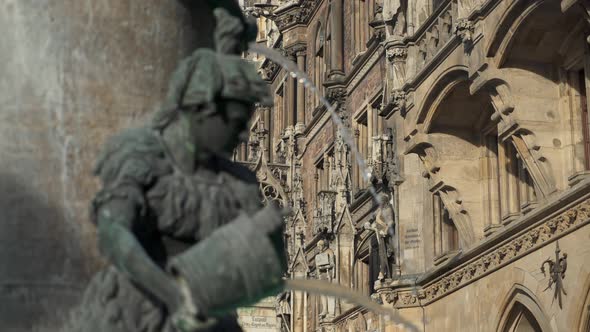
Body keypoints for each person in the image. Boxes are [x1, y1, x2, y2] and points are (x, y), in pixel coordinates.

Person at [66, 7, 285, 332]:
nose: (243, 134)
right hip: (137, 313)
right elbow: (114, 234)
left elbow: (268, 266)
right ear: (201, 108)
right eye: (237, 123)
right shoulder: (141, 155)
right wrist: (175, 295)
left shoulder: (239, 182)